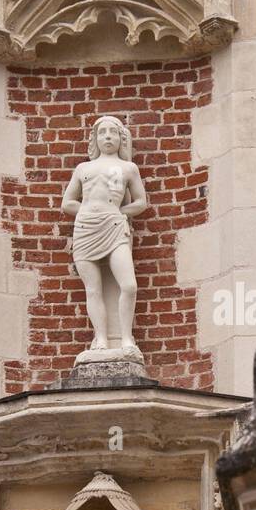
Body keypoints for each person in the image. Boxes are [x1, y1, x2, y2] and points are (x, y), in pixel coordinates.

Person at [62, 115, 148, 356]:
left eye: (112, 132)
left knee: (129, 286)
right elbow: (67, 202)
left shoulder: (128, 168)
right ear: (95, 139)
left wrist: (120, 212)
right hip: (86, 229)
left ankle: (126, 338)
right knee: (93, 289)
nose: (107, 136)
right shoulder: (83, 168)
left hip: (114, 226)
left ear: (121, 138)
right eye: (102, 132)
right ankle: (100, 338)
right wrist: (87, 211)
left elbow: (141, 201)